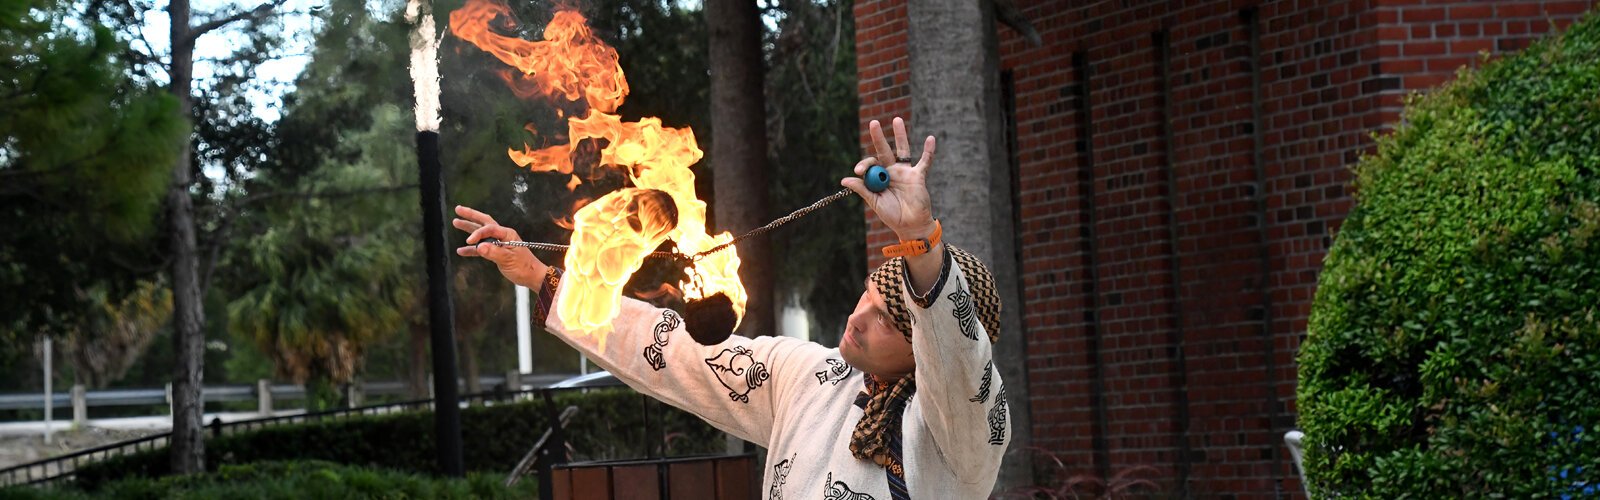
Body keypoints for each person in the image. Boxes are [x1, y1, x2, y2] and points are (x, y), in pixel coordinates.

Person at [455, 117, 1008, 499]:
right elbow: (673, 352)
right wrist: (545, 280)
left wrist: (919, 240)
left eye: (888, 320)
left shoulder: (961, 429)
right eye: (866, 296)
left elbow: (959, 362)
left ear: (926, 350)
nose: (858, 317)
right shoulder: (812, 378)